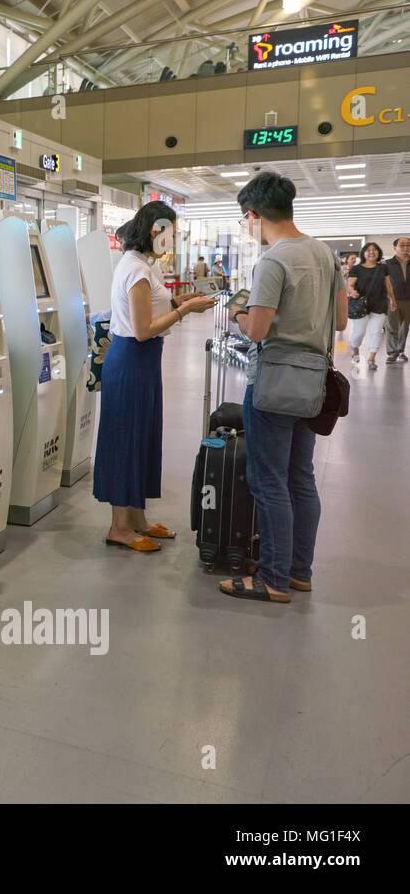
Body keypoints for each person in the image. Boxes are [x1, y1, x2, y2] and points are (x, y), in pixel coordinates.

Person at [224, 172, 346, 603]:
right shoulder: (327, 256)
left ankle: (272, 579)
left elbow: (256, 331)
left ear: (254, 216)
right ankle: (298, 572)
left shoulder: (273, 261)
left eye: (245, 221)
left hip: (272, 382)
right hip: (312, 385)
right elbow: (340, 322)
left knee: (269, 481)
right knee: (300, 478)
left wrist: (239, 313)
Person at [93, 202, 216, 551]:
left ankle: (138, 519)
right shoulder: (135, 269)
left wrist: (180, 302)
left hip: (145, 362)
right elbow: (143, 329)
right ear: (154, 231)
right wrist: (185, 311)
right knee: (126, 439)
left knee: (144, 436)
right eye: (171, 234)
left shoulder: (149, 267)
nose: (173, 240)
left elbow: (154, 310)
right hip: (131, 360)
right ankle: (119, 527)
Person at [346, 243, 388, 370]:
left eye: (374, 250)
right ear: (363, 253)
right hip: (361, 304)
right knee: (359, 332)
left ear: (378, 252)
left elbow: (388, 284)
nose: (371, 252)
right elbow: (350, 285)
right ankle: (355, 349)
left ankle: (371, 358)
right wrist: (352, 292)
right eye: (368, 250)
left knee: (377, 331)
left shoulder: (383, 268)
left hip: (379, 303)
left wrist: (392, 298)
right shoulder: (356, 269)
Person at [382, 237, 410, 364]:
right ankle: (392, 353)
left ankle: (401, 351)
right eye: (402, 245)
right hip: (392, 299)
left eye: (408, 245)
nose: (406, 247)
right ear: (395, 248)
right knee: (391, 326)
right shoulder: (386, 264)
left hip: (408, 300)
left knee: (404, 327)